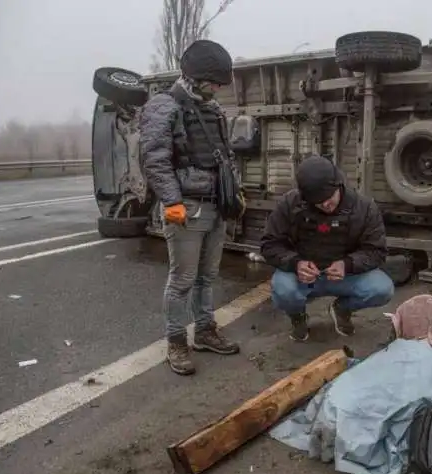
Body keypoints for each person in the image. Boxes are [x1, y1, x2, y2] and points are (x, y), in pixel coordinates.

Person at [139, 39, 240, 376]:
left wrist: (234, 192)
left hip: (216, 206)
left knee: (207, 277)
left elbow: (225, 156)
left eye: (220, 84)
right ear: (194, 76)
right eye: (214, 82)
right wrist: (171, 201)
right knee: (182, 280)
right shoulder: (164, 106)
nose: (218, 89)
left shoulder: (213, 110)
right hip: (187, 208)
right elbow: (154, 160)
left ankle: (206, 331)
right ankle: (176, 341)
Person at [260, 155, 395, 341]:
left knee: (382, 289)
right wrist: (295, 263)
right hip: (302, 276)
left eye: (328, 197)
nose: (325, 204)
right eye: (317, 201)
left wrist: (348, 264)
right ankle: (297, 316)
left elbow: (377, 251)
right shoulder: (290, 204)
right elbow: (269, 244)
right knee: (283, 289)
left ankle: (342, 309)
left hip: (345, 276)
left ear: (339, 185)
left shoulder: (364, 208)